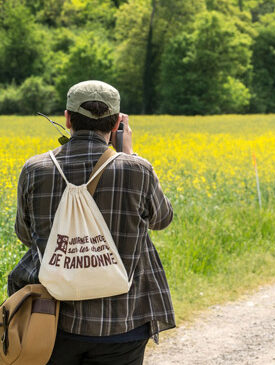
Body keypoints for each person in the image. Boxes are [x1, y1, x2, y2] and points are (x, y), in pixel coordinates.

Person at [8, 80, 175, 364]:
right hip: (123, 321)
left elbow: (26, 235)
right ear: (116, 125)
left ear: (68, 118)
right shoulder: (137, 169)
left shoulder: (35, 169)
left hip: (52, 320)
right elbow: (161, 219)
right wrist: (128, 155)